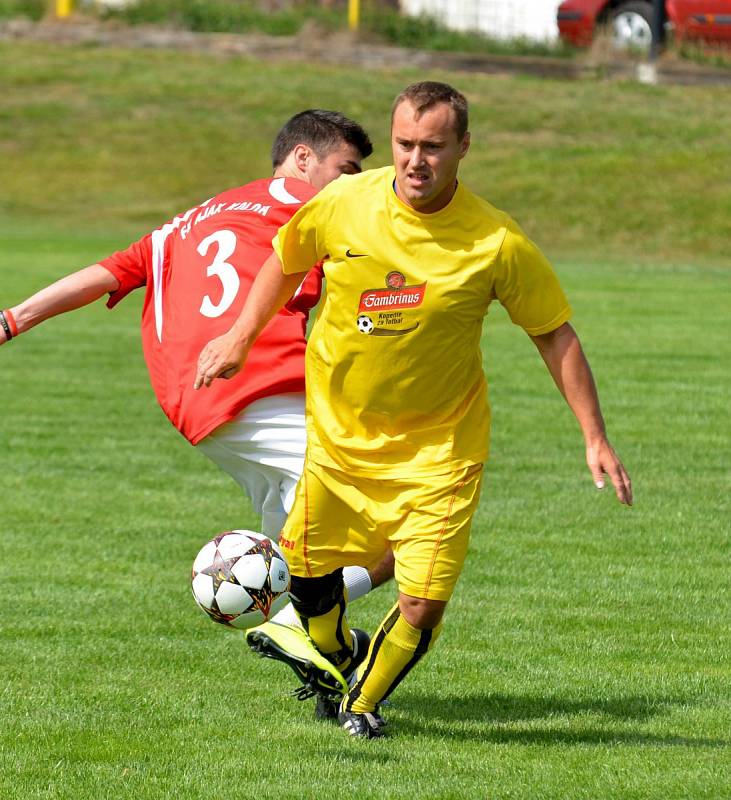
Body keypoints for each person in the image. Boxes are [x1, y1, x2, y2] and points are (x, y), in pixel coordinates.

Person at [193, 81, 633, 739]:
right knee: (307, 574)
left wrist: (593, 435)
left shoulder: (494, 242)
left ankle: (360, 704)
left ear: (462, 147)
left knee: (422, 603)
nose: (414, 160)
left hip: (439, 450)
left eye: (432, 146)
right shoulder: (344, 202)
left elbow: (553, 333)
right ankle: (339, 657)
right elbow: (285, 262)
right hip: (340, 439)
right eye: (403, 144)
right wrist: (238, 337)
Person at [0, 109, 394, 704]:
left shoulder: (185, 222)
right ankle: (296, 628)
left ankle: (324, 667)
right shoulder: (317, 210)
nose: (349, 183)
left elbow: (103, 274)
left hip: (199, 408)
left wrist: (12, 319)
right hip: (264, 386)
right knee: (409, 524)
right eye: (345, 168)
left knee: (301, 552)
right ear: (303, 159)